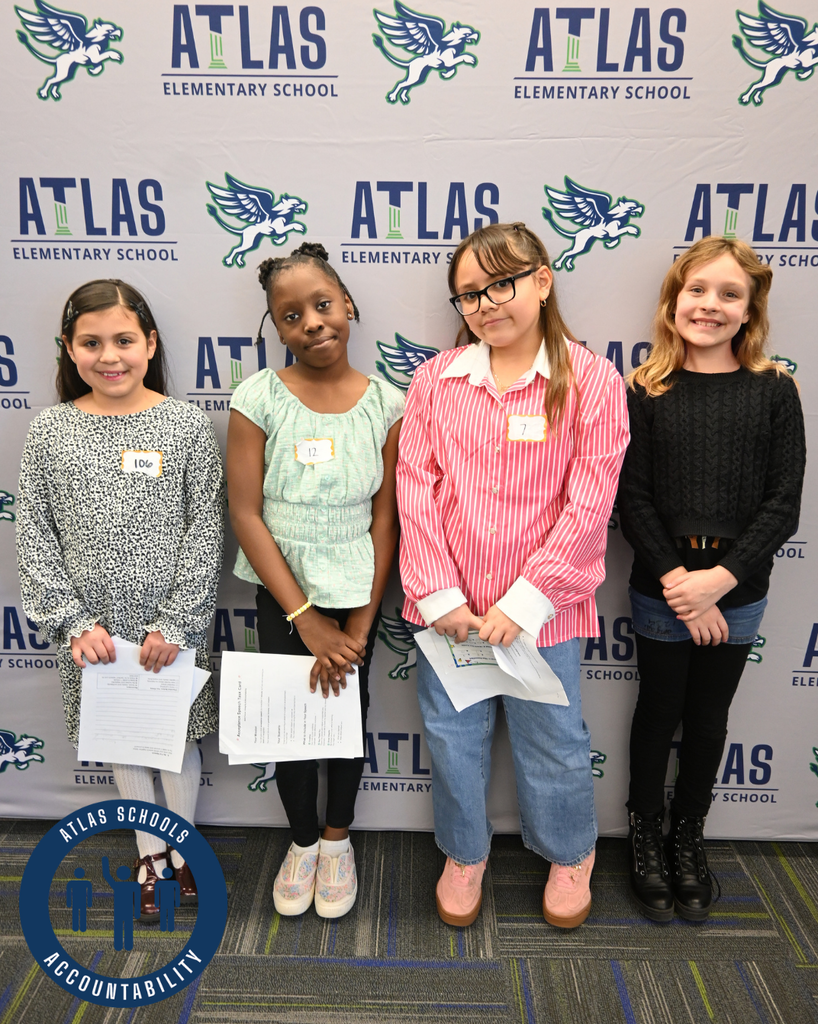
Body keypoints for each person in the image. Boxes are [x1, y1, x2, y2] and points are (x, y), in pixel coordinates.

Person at [396, 222, 629, 928]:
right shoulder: (436, 380)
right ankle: (464, 852)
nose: (486, 303)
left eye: (501, 283)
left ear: (542, 280)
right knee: (453, 738)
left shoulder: (590, 379)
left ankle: (569, 852)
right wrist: (438, 594)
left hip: (548, 613)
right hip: (451, 616)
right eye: (469, 294)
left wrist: (527, 602)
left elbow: (592, 501)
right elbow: (415, 484)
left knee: (553, 739)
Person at [16, 280, 224, 924]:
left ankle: (183, 850)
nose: (110, 356)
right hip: (95, 635)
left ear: (150, 343)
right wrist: (73, 624)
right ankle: (149, 856)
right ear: (68, 349)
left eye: (125, 340)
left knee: (173, 739)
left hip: (170, 629)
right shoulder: (50, 430)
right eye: (92, 342)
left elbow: (205, 526)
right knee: (125, 744)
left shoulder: (185, 423)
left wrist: (179, 623)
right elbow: (35, 534)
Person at [618, 237, 806, 922]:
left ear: (750, 309)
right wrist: (679, 582)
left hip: (739, 589)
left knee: (707, 721)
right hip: (663, 584)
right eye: (698, 290)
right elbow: (630, 498)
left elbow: (782, 504)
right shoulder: (644, 389)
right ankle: (643, 835)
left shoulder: (775, 390)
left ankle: (687, 835)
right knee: (657, 713)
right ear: (674, 301)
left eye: (730, 294)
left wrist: (718, 581)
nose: (711, 305)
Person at [227, 241, 403, 919]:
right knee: (294, 723)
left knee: (344, 722)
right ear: (277, 327)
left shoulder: (387, 404)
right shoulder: (259, 397)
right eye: (291, 314)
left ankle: (337, 840)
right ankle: (301, 841)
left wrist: (359, 622)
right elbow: (245, 511)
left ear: (348, 304)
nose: (312, 323)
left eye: (322, 304)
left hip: (356, 592)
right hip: (283, 594)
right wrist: (305, 617)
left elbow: (385, 522)